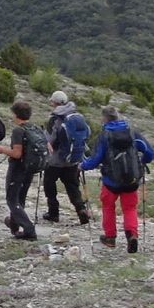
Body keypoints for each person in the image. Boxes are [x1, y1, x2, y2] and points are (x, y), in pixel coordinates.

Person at [80, 105, 154, 253]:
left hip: (111, 181)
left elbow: (95, 160)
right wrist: (142, 161)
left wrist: (82, 166)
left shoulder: (104, 136)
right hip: (131, 180)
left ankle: (110, 238)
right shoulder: (133, 133)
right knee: (129, 208)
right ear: (118, 117)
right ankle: (132, 235)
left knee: (108, 207)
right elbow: (150, 153)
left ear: (104, 119)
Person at [43, 91, 94, 225]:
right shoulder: (77, 116)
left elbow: (50, 139)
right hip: (73, 160)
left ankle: (53, 213)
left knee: (49, 185)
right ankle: (81, 209)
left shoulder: (55, 118)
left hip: (55, 160)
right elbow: (86, 133)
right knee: (72, 186)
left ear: (55, 102)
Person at [0, 101, 44, 240]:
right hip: (30, 168)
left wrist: (2, 149)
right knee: (20, 198)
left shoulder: (18, 130)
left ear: (16, 115)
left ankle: (29, 229)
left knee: (11, 199)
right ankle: (14, 224)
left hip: (18, 168)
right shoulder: (35, 128)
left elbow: (17, 153)